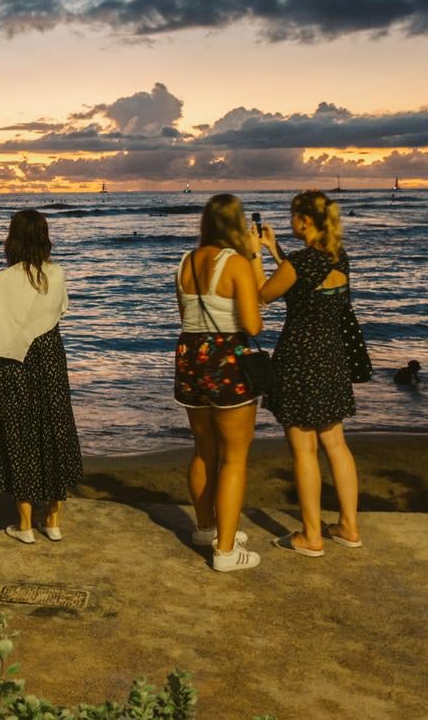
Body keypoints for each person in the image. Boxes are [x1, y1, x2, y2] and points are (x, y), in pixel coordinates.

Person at [259, 190, 363, 556]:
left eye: (293, 217)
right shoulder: (338, 257)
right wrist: (276, 253)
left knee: (303, 448)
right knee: (335, 443)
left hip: (300, 359)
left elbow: (263, 294)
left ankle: (311, 535)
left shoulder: (300, 262)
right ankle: (349, 526)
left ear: (304, 220)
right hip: (332, 358)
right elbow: (302, 284)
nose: (290, 223)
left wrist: (258, 256)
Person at [175, 195, 267, 572]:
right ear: (237, 224)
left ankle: (206, 527)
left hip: (190, 354)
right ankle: (226, 551)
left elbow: (186, 314)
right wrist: (256, 255)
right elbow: (253, 325)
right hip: (227, 356)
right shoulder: (237, 264)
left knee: (203, 448)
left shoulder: (185, 262)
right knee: (234, 455)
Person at [0, 210, 80, 545]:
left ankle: (25, 524)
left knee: (19, 431)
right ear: (44, 238)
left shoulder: (4, 278)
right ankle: (53, 519)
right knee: (54, 427)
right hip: (51, 355)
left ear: (13, 240)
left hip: (15, 361)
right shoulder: (57, 273)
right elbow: (60, 312)